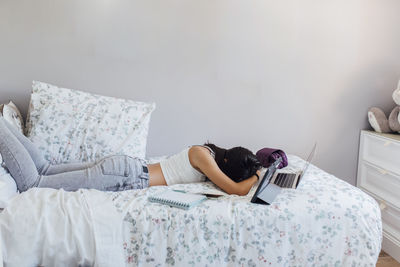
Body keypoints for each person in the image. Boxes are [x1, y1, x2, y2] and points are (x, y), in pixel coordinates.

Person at [0, 117, 261, 195]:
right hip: (128, 175)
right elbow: (235, 189)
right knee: (33, 185)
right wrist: (261, 175)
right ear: (226, 163)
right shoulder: (204, 158)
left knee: (44, 169)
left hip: (124, 167)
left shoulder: (204, 152)